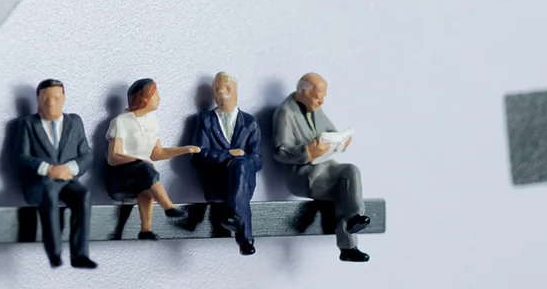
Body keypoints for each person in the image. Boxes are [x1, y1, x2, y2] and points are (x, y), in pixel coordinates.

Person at [272, 72, 371, 262]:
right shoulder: (285, 113)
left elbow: (330, 132)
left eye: (323, 96)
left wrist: (341, 141)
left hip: (325, 168)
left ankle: (355, 218)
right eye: (318, 97)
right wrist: (308, 152)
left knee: (351, 170)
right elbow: (280, 151)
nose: (321, 102)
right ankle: (348, 245)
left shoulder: (315, 108)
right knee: (344, 188)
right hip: (305, 175)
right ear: (303, 92)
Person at [14, 79, 96, 269]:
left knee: (83, 195)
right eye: (45, 98)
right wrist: (48, 169)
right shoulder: (27, 124)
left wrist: (70, 168)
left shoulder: (74, 121)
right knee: (49, 193)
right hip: (41, 182)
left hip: (67, 180)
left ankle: (79, 255)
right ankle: (54, 253)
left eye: (56, 98)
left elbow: (86, 154)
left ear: (63, 98)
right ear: (38, 100)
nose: (51, 103)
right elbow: (20, 157)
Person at [105, 78, 199, 240]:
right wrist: (139, 162)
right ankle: (168, 206)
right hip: (120, 176)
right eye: (156, 94)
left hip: (142, 174)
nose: (159, 98)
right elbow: (113, 157)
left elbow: (157, 153)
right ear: (145, 97)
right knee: (145, 169)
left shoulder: (153, 121)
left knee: (146, 180)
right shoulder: (120, 122)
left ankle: (145, 230)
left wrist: (184, 149)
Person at [190, 71, 262, 255]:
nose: (222, 92)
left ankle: (234, 215)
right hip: (218, 184)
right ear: (213, 94)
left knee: (242, 164)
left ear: (236, 91)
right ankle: (244, 236)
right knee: (238, 163)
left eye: (227, 88)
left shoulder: (250, 122)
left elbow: (258, 159)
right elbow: (198, 155)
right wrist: (228, 155)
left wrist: (239, 161)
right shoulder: (205, 120)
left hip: (243, 182)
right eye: (217, 88)